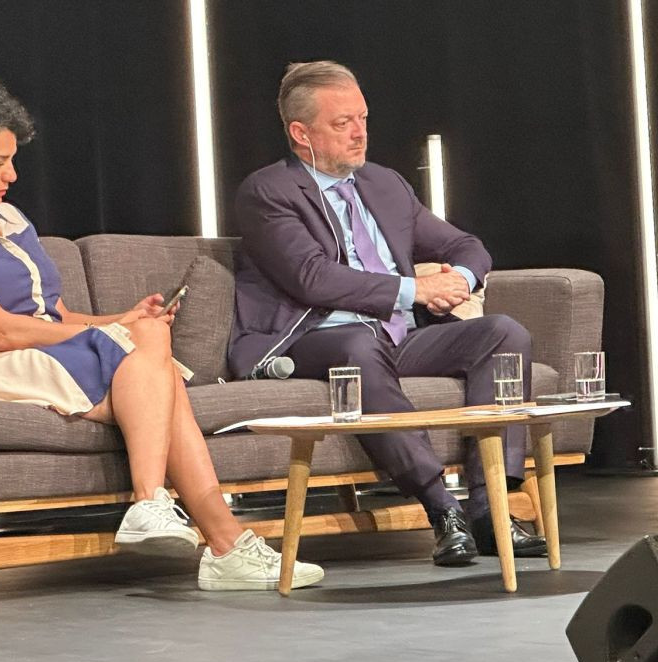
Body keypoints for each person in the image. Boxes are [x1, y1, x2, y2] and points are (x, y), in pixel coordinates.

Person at [0, 75, 323, 591]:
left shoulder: (8, 220)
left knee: (150, 348)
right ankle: (179, 518)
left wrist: (121, 320)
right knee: (152, 358)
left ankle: (199, 530)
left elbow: (54, 314)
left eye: (11, 160)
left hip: (40, 347)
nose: (11, 174)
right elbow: (1, 331)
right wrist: (126, 337)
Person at [230, 61, 545, 566]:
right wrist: (414, 290)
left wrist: (458, 281)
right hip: (315, 335)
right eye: (342, 123)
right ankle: (443, 512)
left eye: (363, 119)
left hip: (396, 337)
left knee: (502, 333)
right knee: (358, 341)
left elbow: (466, 245)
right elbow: (312, 278)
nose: (360, 134)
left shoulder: (384, 185)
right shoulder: (269, 192)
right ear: (300, 132)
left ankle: (491, 513)